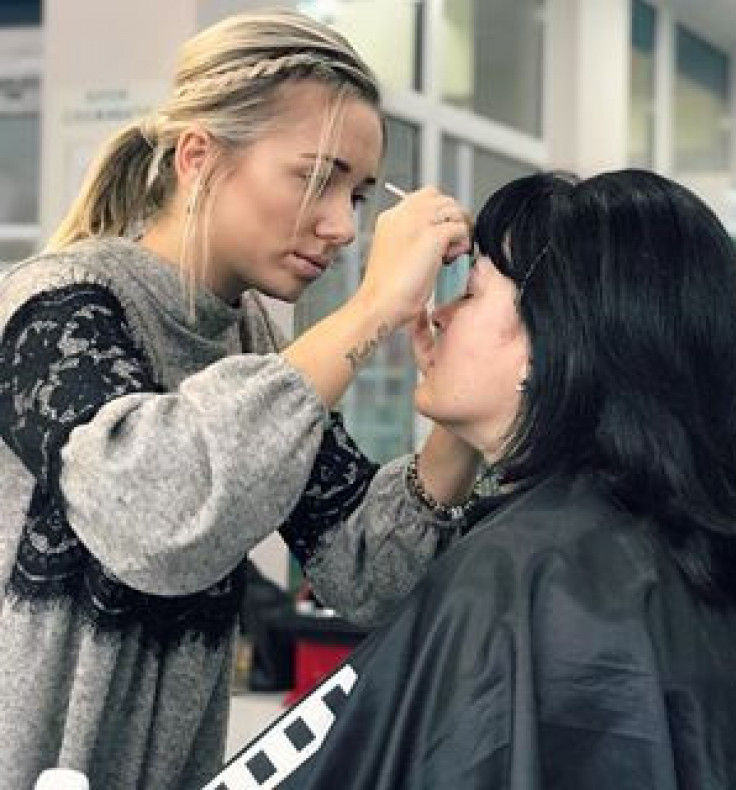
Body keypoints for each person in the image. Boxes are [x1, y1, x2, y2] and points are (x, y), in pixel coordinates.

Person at [0, 10, 480, 790]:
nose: (342, 227)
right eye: (316, 178)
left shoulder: (252, 344)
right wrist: (370, 310)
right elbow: (152, 518)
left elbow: (365, 573)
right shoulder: (55, 303)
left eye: (358, 195)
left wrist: (460, 419)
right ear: (199, 157)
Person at [210, 169, 736, 790]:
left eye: (469, 292)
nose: (437, 315)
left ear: (549, 341)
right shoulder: (732, 587)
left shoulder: (525, 573)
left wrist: (377, 307)